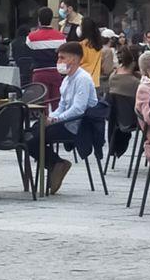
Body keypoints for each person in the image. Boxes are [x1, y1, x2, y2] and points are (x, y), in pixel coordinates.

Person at [24, 42, 99, 194]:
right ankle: (55, 164)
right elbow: (62, 106)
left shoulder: (82, 79)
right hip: (65, 121)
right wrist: (51, 117)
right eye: (58, 58)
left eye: (62, 58)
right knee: (29, 134)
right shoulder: (66, 80)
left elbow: (78, 109)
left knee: (34, 138)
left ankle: (57, 164)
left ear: (74, 59)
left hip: (78, 125)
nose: (59, 62)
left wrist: (56, 120)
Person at [79, 18, 106, 87]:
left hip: (82, 79)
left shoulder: (82, 44)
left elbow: (79, 61)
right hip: (95, 80)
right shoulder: (98, 45)